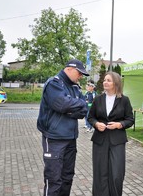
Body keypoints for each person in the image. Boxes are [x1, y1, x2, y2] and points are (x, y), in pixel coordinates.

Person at [37, 59, 89, 196]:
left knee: (67, 177)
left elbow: (83, 110)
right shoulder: (54, 83)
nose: (81, 77)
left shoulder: (75, 87)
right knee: (54, 180)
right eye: (80, 73)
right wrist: (71, 107)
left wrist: (71, 108)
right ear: (69, 69)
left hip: (71, 138)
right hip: (54, 138)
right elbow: (61, 104)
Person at [88, 71, 134, 196]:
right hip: (100, 140)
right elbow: (90, 117)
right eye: (104, 80)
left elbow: (130, 119)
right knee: (100, 172)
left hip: (117, 140)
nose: (105, 82)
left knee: (116, 173)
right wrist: (96, 124)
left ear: (116, 83)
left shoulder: (124, 100)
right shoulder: (98, 99)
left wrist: (120, 124)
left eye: (108, 80)